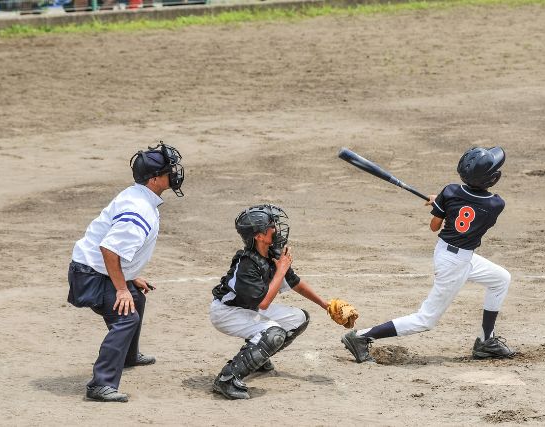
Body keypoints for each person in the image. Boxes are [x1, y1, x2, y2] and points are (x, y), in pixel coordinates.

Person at [342, 146, 515, 363]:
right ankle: (360, 337)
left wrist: (440, 205)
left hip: (450, 254)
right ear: (492, 179)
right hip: (455, 263)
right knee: (426, 320)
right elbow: (469, 209)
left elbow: (435, 226)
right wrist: (444, 204)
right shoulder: (495, 204)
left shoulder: (450, 191)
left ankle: (486, 341)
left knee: (500, 278)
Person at [67, 141, 185, 402]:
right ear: (155, 179)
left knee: (137, 297)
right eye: (169, 170)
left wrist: (130, 278)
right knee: (126, 317)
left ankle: (129, 356)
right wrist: (121, 287)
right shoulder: (138, 209)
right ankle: (101, 385)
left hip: (97, 269)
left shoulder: (140, 195)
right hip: (90, 274)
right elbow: (109, 249)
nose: (174, 174)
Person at [210, 204, 334, 400]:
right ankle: (227, 378)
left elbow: (296, 284)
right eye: (271, 226)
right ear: (258, 236)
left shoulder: (272, 254)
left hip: (249, 309)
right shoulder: (246, 265)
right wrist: (281, 270)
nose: (276, 229)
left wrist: (325, 304)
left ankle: (256, 360)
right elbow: (265, 303)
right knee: (273, 334)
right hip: (227, 313)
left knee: (298, 318)